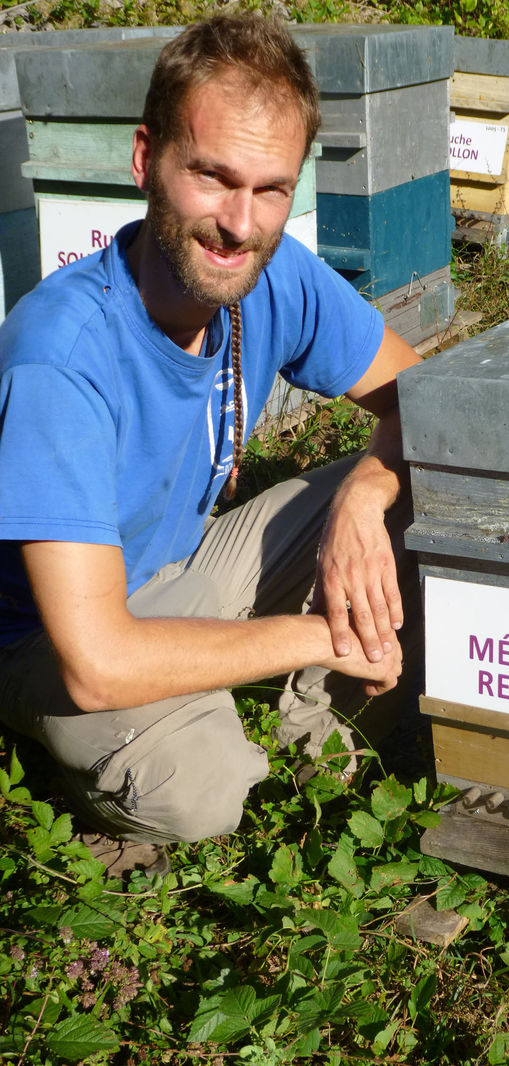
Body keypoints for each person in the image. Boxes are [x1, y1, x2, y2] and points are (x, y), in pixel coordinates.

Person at [0, 13, 422, 866]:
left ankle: (308, 720)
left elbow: (426, 405)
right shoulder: (61, 355)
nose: (240, 222)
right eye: (213, 177)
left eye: (271, 189)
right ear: (144, 159)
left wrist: (362, 504)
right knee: (205, 789)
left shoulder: (279, 273)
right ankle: (153, 755)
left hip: (181, 571)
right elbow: (97, 661)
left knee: (430, 483)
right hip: (53, 637)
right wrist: (324, 637)